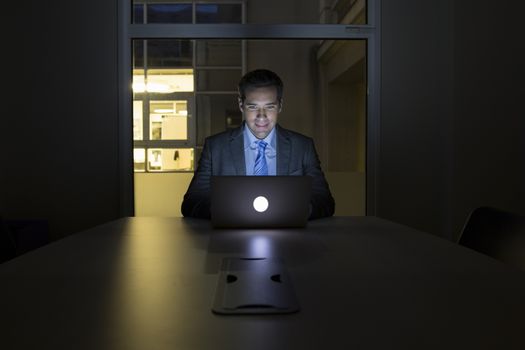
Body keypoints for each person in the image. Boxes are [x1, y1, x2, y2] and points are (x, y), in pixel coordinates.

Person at [181, 69, 335, 219]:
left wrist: (296, 209)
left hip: (288, 240)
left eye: (270, 107)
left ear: (280, 105)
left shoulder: (303, 147)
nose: (262, 117)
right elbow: (191, 203)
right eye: (253, 107)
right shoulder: (215, 148)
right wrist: (227, 210)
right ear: (241, 105)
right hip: (231, 240)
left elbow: (325, 201)